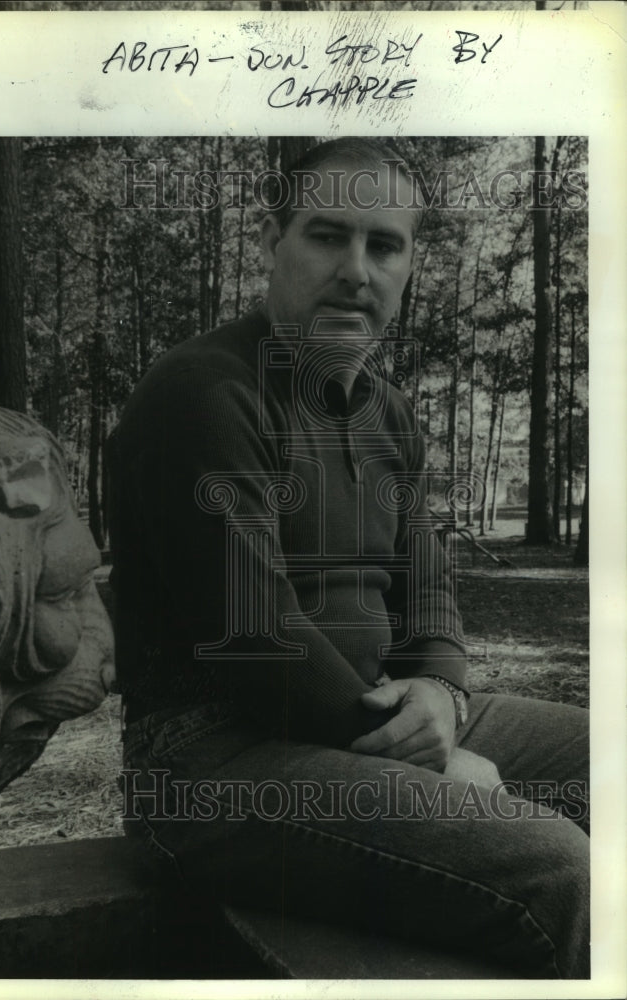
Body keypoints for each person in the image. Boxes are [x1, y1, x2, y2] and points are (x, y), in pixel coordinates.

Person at [107, 138, 589, 978]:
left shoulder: (388, 413)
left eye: (384, 244)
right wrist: (434, 756)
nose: (356, 270)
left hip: (371, 724)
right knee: (559, 867)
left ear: (408, 263)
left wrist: (440, 690)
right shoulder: (203, 391)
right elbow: (256, 638)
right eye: (328, 236)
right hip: (213, 760)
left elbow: (428, 591)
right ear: (270, 242)